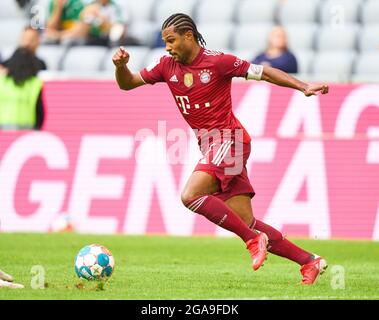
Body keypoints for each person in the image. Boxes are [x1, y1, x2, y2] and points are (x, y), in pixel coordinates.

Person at [113, 13, 329, 284]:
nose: (167, 47)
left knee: (191, 195)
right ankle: (310, 261)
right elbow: (127, 84)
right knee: (246, 220)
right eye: (165, 42)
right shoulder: (166, 66)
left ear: (188, 36)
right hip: (214, 146)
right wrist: (121, 67)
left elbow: (263, 73)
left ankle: (253, 241)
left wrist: (303, 86)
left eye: (171, 41)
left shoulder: (218, 62)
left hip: (230, 139)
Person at [0, 48, 44, 130]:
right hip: (27, 129)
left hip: (3, 129)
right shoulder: (35, 83)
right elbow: (40, 112)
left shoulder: (2, 82)